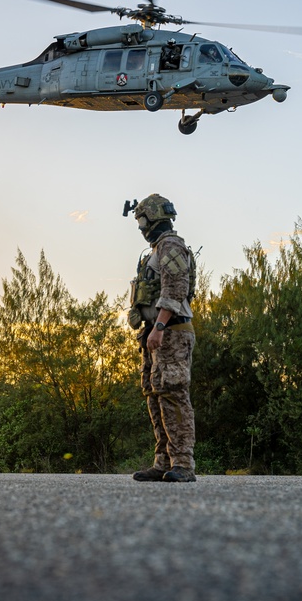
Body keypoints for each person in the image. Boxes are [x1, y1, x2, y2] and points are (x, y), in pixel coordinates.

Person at [127, 194, 196, 483]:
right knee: (155, 395)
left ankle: (183, 463)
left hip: (171, 331)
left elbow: (175, 291)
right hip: (155, 333)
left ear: (151, 218)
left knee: (173, 393)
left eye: (141, 220)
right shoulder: (156, 250)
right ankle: (164, 461)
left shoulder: (171, 245)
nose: (141, 227)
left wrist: (159, 326)